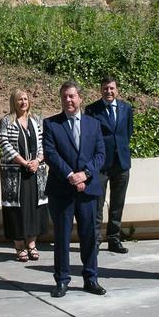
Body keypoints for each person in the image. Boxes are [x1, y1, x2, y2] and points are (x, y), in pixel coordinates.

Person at [43, 81, 107, 298]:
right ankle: (62, 280)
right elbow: (51, 154)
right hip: (62, 189)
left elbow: (100, 154)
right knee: (61, 237)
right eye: (64, 97)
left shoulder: (93, 124)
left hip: (88, 190)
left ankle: (91, 278)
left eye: (72, 96)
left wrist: (85, 174)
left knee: (89, 236)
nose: (68, 100)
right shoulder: (51, 124)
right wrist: (71, 176)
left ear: (80, 98)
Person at [0, 89, 48, 262]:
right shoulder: (6, 121)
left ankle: (32, 244)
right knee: (16, 209)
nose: (23, 102)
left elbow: (43, 143)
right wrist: (24, 162)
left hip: (35, 171)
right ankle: (19, 246)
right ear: (14, 102)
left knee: (34, 207)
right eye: (19, 100)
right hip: (14, 173)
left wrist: (37, 160)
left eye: (25, 99)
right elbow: (4, 143)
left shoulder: (36, 120)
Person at [84, 76, 133, 253]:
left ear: (117, 89)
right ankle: (95, 240)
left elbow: (128, 133)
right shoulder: (92, 110)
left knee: (117, 204)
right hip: (101, 165)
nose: (109, 91)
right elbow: (89, 136)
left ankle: (114, 239)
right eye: (105, 88)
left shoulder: (126, 108)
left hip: (121, 163)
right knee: (97, 204)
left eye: (112, 88)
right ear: (101, 90)